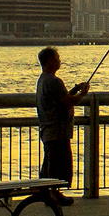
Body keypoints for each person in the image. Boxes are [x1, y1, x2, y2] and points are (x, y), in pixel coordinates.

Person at [34, 46, 88, 204]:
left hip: (48, 129)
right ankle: (54, 194)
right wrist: (82, 94)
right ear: (50, 61)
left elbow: (59, 98)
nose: (59, 61)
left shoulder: (43, 80)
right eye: (57, 58)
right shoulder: (54, 81)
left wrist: (75, 89)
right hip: (57, 130)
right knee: (59, 164)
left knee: (50, 163)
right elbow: (68, 102)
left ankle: (48, 192)